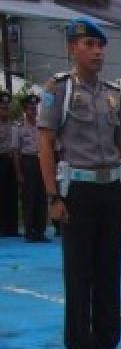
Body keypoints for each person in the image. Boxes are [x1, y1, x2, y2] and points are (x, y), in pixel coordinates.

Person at [38, 18, 121, 349]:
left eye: (100, 45)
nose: (97, 51)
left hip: (109, 189)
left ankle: (105, 346)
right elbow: (45, 142)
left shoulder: (113, 94)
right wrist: (52, 196)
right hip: (78, 189)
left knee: (109, 272)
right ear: (72, 48)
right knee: (79, 274)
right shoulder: (58, 90)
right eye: (89, 44)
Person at [15, 93, 47, 241]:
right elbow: (16, 152)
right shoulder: (19, 126)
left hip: (41, 161)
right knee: (29, 197)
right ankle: (29, 231)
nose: (33, 110)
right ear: (25, 109)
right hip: (28, 162)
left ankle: (40, 231)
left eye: (35, 107)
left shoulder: (41, 124)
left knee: (42, 197)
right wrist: (19, 172)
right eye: (30, 107)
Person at [0, 90, 17, 237]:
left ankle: (12, 227)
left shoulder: (13, 124)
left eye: (7, 107)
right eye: (2, 107)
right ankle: (2, 227)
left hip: (11, 160)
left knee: (11, 193)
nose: (5, 110)